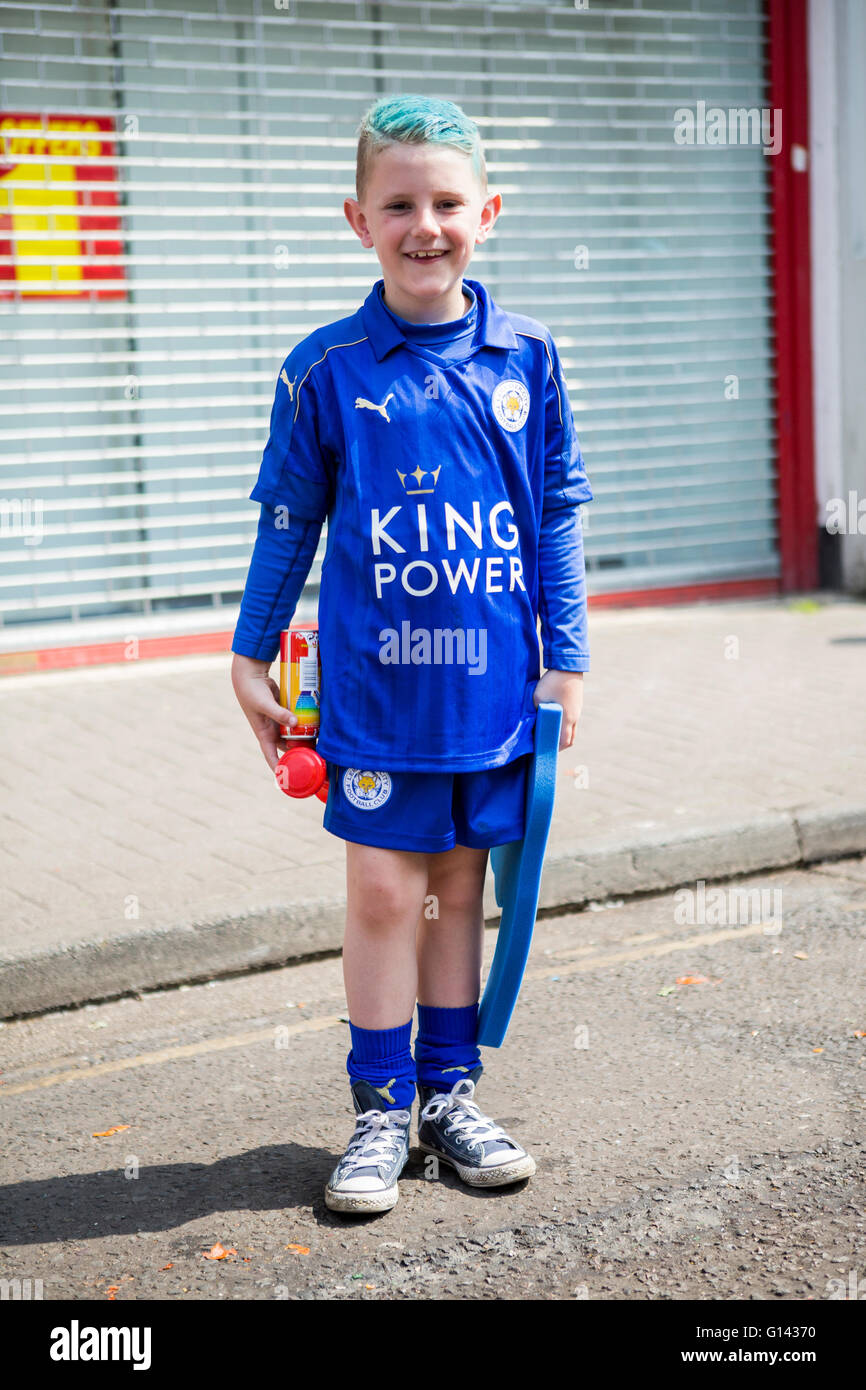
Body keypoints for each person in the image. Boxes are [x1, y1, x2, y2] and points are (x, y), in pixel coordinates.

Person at [230, 94, 592, 1215]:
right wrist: (248, 652)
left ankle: (448, 1094)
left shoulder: (526, 355)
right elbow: (288, 518)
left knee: (455, 895)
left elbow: (553, 518)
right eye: (399, 204)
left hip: (489, 695)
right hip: (377, 699)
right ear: (358, 218)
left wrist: (565, 659)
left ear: (487, 210)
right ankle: (379, 1108)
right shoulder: (326, 367)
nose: (423, 225)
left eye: (446, 203)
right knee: (385, 893)